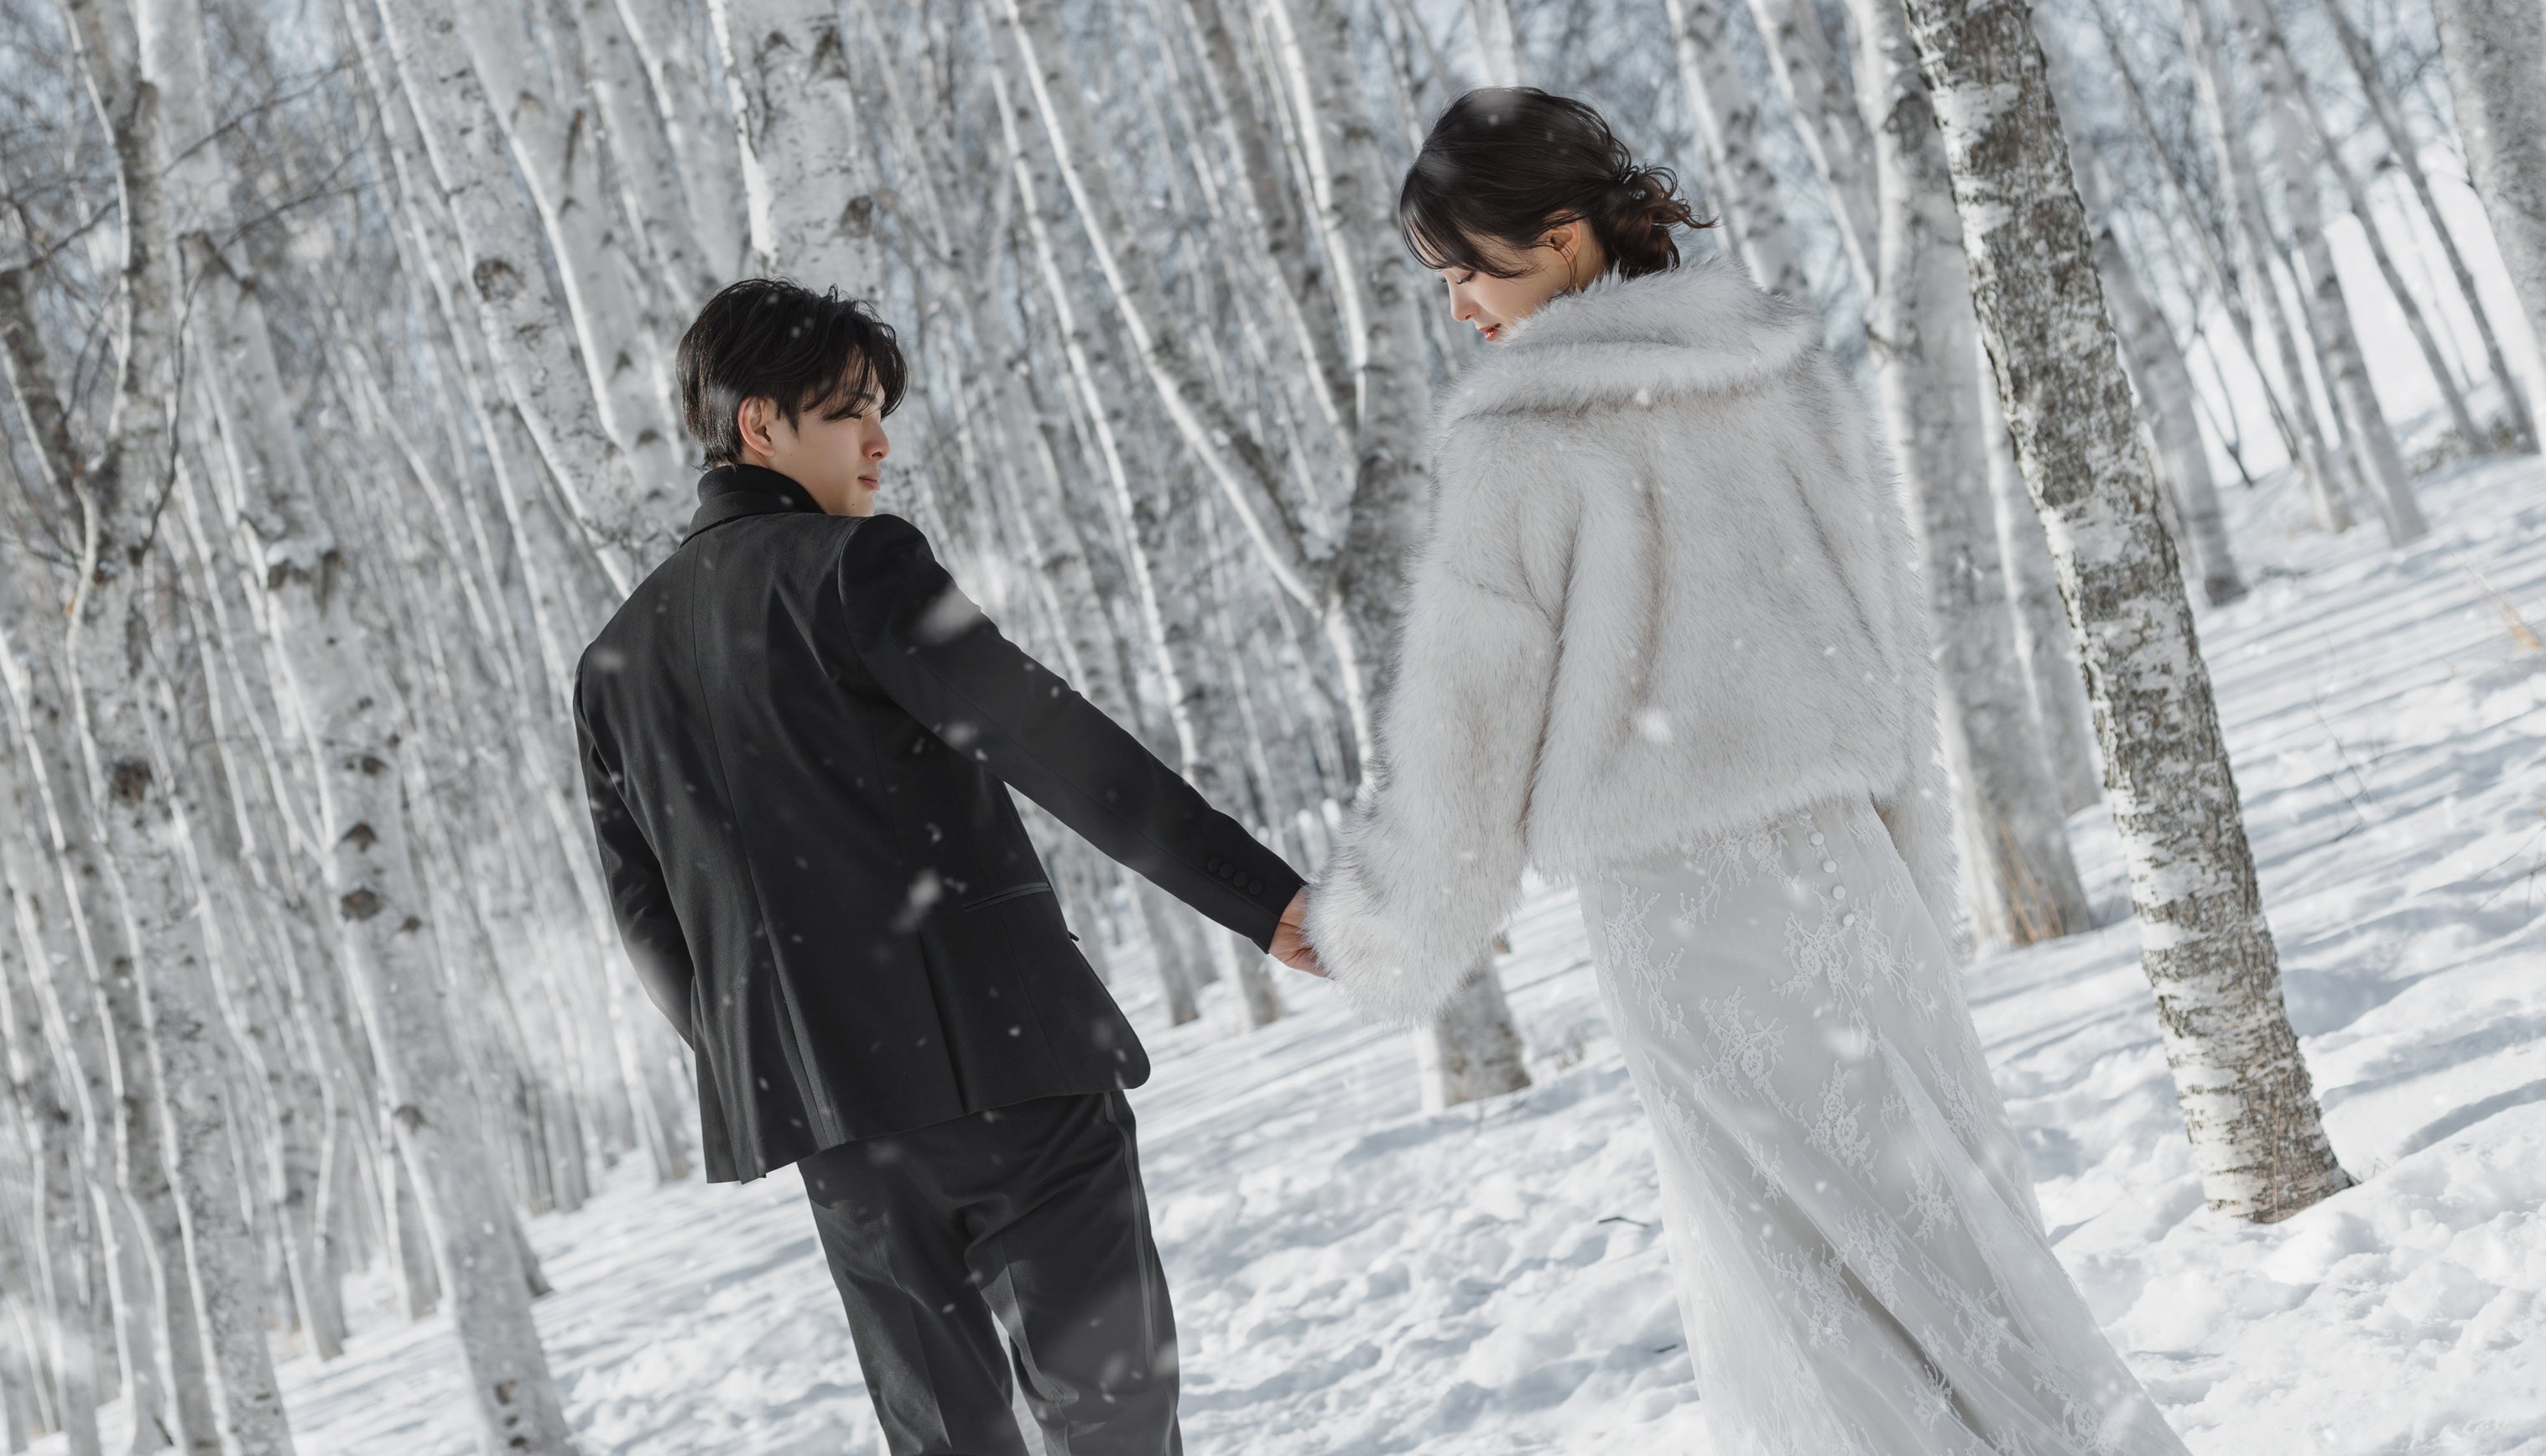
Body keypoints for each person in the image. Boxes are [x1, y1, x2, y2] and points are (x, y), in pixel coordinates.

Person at [1306, 88, 2187, 1456]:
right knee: (1949, 1246)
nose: (1459, 306)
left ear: (1565, 236)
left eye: (1467, 267)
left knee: (1797, 1278)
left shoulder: (1519, 438)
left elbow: (1465, 737)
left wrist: (1378, 931)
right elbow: (1882, 650)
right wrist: (1910, 868)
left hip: (1685, 914)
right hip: (1852, 879)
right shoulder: (1784, 374)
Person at [575, 278, 1320, 1456]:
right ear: (757, 424)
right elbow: (1052, 742)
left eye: (881, 410)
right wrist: (1263, 900)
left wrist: (773, 1061)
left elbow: (648, 917)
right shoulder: (850, 567)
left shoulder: (613, 662)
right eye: (847, 413)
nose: (879, 442)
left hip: (840, 1135)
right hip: (1009, 1073)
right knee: (1113, 1426)